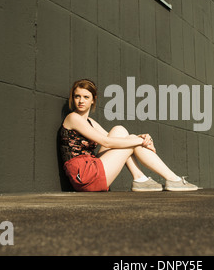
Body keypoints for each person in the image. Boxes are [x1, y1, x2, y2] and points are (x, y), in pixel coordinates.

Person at [59, 79, 199, 192]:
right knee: (130, 140)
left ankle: (140, 179)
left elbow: (117, 140)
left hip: (92, 165)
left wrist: (139, 138)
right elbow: (106, 142)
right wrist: (139, 142)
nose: (81, 101)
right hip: (83, 175)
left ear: (93, 100)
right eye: (77, 96)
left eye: (86, 97)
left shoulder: (90, 122)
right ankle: (172, 179)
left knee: (120, 131)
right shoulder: (73, 118)